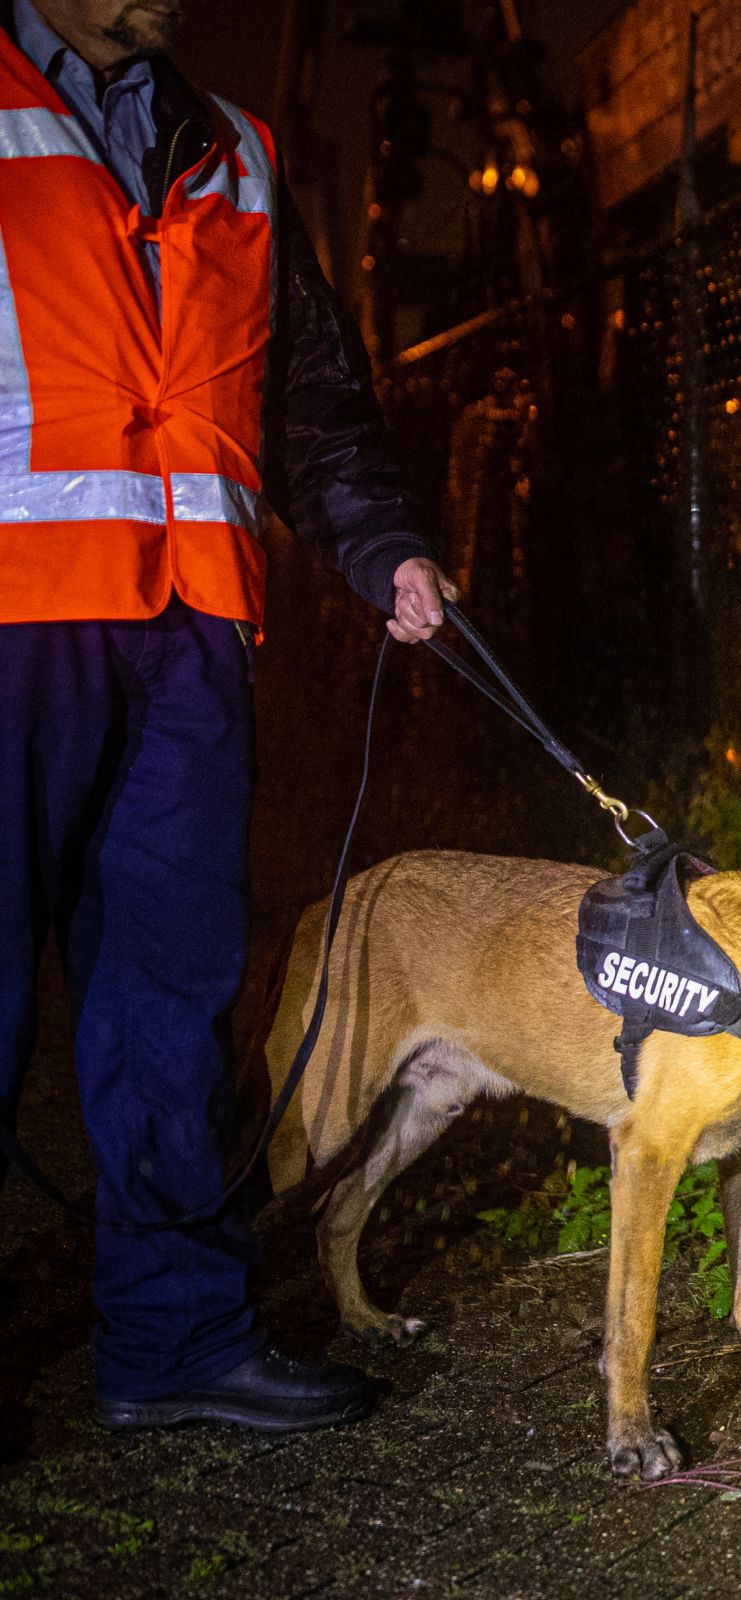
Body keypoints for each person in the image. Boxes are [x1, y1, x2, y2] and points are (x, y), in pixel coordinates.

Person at [0, 0, 452, 1433]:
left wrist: (381, 544)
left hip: (192, 638)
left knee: (174, 1003)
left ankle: (176, 1337)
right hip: (15, 624)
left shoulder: (237, 153)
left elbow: (310, 399)